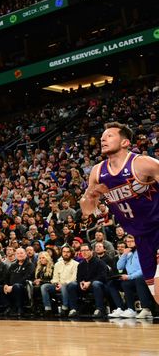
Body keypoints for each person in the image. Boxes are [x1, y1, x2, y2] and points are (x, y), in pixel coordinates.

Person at [80, 122, 159, 306]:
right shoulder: (98, 171)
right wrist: (89, 196)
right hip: (141, 236)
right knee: (155, 294)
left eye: (109, 136)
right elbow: (87, 210)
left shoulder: (142, 163)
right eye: (102, 137)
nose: (103, 139)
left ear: (124, 142)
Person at [107, 235, 154, 319]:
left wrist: (129, 277)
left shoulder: (143, 251)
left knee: (132, 282)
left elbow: (143, 270)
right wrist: (124, 254)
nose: (129, 243)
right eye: (127, 242)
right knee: (113, 283)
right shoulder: (128, 254)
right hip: (131, 278)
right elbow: (119, 267)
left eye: (131, 241)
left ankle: (146, 309)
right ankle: (123, 308)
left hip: (143, 277)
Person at [66, 244, 108, 317]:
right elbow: (78, 277)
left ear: (91, 251)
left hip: (98, 285)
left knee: (96, 283)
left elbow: (103, 276)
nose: (84, 252)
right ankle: (74, 309)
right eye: (82, 250)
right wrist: (81, 283)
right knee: (71, 285)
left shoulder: (100, 262)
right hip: (85, 285)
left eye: (86, 250)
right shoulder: (81, 264)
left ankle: (99, 309)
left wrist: (89, 282)